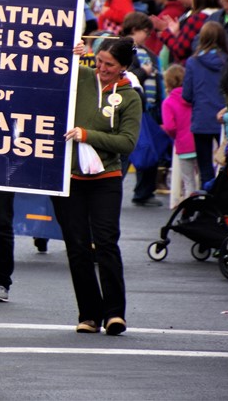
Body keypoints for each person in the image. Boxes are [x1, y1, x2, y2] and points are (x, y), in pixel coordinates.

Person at [56, 39, 141, 335]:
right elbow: (52, 64)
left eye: (110, 65)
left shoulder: (130, 97)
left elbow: (127, 142)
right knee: (77, 247)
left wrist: (86, 135)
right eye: (100, 61)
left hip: (106, 178)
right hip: (71, 179)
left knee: (106, 243)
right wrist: (70, 46)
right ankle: (89, 315)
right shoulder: (81, 76)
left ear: (123, 69)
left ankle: (115, 314)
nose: (102, 69)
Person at [182, 22, 228, 188]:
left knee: (205, 168)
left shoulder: (193, 62)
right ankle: (225, 204)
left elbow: (186, 94)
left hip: (201, 118)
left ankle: (206, 205)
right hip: (225, 119)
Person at [161, 64, 198, 209]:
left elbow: (170, 126)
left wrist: (175, 135)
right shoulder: (193, 97)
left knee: (189, 182)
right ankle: (206, 210)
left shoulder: (169, 102)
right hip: (200, 141)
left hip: (183, 146)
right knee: (203, 178)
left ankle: (190, 211)